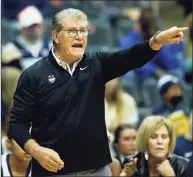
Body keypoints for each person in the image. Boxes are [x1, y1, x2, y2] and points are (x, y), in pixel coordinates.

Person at [8, 8, 188, 176]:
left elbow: (131, 57)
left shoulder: (96, 64)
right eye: (72, 31)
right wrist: (35, 150)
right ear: (55, 36)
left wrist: (157, 41)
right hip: (53, 170)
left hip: (97, 169)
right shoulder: (34, 74)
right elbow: (17, 123)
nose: (79, 36)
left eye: (83, 31)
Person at [121, 116, 189, 177]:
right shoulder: (131, 163)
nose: (159, 141)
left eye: (164, 137)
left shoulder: (183, 165)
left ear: (170, 140)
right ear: (145, 140)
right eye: (153, 137)